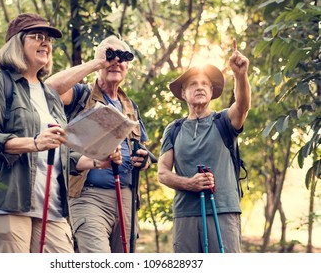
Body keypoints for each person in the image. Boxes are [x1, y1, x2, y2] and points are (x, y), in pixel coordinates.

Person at [0, 13, 74, 253]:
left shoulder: (51, 96)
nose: (46, 43)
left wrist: (97, 159)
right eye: (38, 37)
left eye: (49, 39)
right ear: (17, 43)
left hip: (50, 207)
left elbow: (60, 153)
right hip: (2, 202)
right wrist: (34, 142)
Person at [45, 35, 153, 253]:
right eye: (110, 55)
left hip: (126, 196)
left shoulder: (129, 105)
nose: (116, 62)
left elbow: (142, 149)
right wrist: (97, 62)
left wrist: (145, 160)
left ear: (128, 66)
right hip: (89, 195)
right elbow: (50, 88)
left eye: (122, 57)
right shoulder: (81, 94)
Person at [158, 39, 251, 253]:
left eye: (204, 84)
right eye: (193, 84)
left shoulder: (224, 121)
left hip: (223, 210)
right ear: (183, 93)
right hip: (185, 214)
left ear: (211, 91)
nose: (199, 87)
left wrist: (240, 75)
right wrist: (188, 183)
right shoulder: (174, 129)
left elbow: (243, 105)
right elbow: (162, 173)